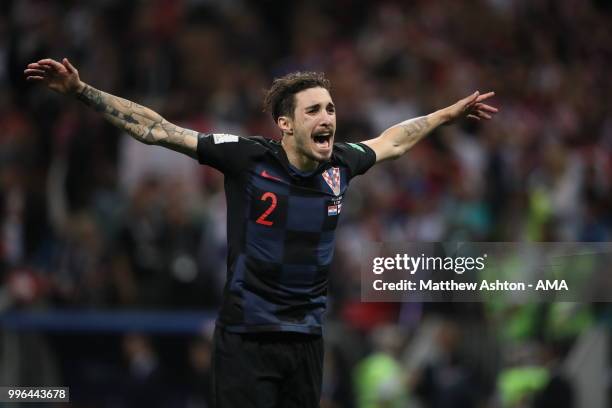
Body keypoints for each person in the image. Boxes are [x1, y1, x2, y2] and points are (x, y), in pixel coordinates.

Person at [25, 58, 498, 407]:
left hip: (307, 341)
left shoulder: (342, 165)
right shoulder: (247, 157)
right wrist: (83, 91)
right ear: (286, 124)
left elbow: (392, 140)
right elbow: (158, 130)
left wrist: (446, 115)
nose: (328, 118)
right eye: (314, 110)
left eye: (330, 108)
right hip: (246, 339)